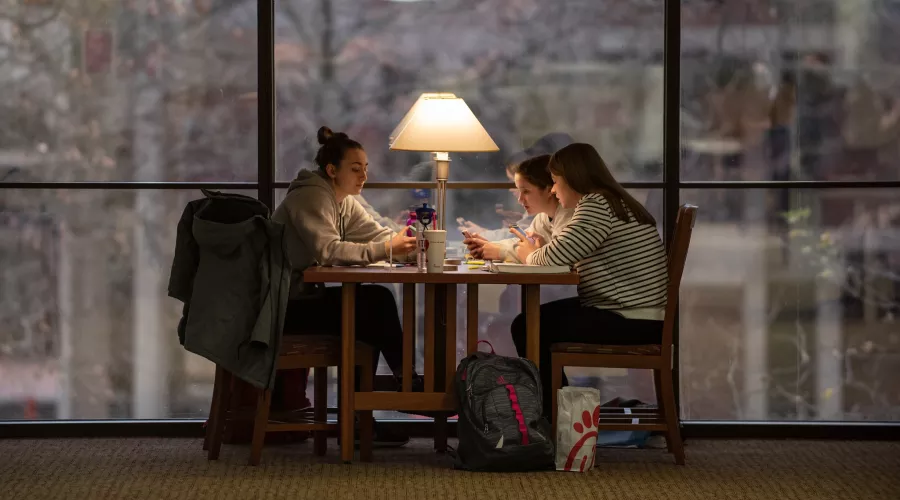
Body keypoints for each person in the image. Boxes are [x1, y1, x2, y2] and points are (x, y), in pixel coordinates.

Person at [272, 125, 418, 446]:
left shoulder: (343, 200)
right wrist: (390, 248)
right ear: (331, 170)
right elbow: (329, 250)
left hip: (304, 299)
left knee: (368, 311)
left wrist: (408, 242)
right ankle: (406, 383)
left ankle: (360, 419)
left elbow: (376, 234)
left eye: (365, 168)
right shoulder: (311, 195)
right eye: (355, 169)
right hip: (280, 306)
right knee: (374, 301)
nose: (363, 175)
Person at [509, 143, 669, 418]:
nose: (555, 191)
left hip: (629, 319)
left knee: (528, 325)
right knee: (530, 321)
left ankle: (556, 419)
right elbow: (564, 250)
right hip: (638, 314)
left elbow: (554, 257)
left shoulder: (596, 205)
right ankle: (558, 416)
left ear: (573, 179)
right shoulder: (612, 201)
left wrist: (528, 254)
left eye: (557, 182)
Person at [463, 154, 573, 262]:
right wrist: (487, 246)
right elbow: (523, 242)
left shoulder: (568, 217)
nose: (520, 199)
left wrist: (500, 251)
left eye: (526, 191)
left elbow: (552, 257)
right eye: (519, 191)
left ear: (549, 190)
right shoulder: (542, 218)